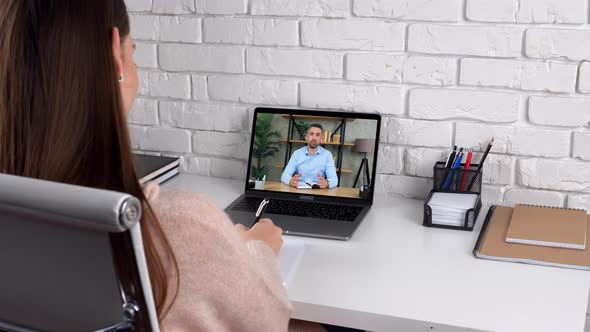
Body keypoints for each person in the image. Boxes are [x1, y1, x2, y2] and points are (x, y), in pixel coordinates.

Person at [0, 1, 325, 331]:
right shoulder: (178, 223)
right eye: (134, 52)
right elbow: (266, 322)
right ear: (116, 58)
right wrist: (259, 251)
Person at [281, 124, 339, 189]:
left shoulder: (327, 155)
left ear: (321, 138)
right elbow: (284, 176)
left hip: (318, 191)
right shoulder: (296, 154)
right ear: (306, 137)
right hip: (298, 191)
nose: (314, 138)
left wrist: (327, 183)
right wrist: (290, 181)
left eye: (317, 135)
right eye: (311, 134)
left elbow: (334, 179)